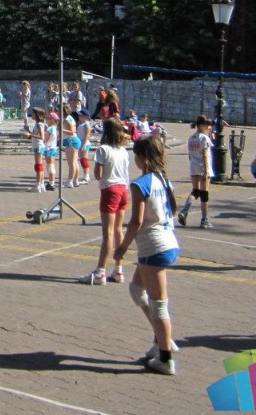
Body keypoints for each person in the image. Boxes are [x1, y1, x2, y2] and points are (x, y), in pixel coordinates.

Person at [113, 134, 181, 375]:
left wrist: (123, 247)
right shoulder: (164, 180)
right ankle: (161, 338)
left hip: (154, 247)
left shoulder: (141, 184)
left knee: (159, 305)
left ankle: (166, 358)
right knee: (136, 289)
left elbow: (137, 221)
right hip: (167, 242)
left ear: (141, 157)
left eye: (136, 155)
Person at [80, 117, 130, 286]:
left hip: (110, 189)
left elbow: (98, 174)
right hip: (123, 189)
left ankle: (100, 271)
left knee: (107, 233)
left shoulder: (103, 150)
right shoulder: (123, 150)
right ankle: (118, 268)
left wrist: (99, 171)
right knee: (118, 230)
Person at [179, 115, 215, 229]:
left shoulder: (191, 138)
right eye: (207, 125)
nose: (209, 127)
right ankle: (204, 220)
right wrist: (206, 170)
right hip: (203, 167)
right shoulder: (204, 138)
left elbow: (190, 155)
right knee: (204, 194)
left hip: (194, 166)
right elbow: (205, 155)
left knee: (195, 191)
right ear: (201, 126)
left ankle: (184, 211)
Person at [61, 104, 83, 189]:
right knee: (74, 163)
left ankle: (70, 181)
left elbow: (72, 132)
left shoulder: (67, 119)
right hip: (72, 141)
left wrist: (61, 129)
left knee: (71, 163)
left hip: (71, 141)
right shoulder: (69, 118)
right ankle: (75, 180)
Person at [25, 107, 47, 192]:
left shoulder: (39, 124)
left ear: (37, 115)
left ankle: (38, 184)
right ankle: (41, 183)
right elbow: (35, 135)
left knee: (38, 165)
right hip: (37, 145)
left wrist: (30, 135)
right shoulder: (37, 124)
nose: (32, 115)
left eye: (33, 113)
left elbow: (41, 136)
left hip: (38, 146)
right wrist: (28, 131)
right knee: (39, 165)